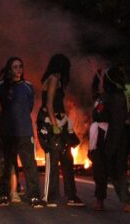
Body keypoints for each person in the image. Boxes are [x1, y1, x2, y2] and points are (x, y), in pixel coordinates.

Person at [0, 57, 46, 208]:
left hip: (24, 131)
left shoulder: (28, 86)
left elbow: (28, 107)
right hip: (8, 131)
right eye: (15, 67)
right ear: (10, 69)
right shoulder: (1, 87)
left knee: (30, 165)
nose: (18, 70)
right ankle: (3, 193)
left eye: (20, 67)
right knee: (7, 164)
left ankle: (34, 195)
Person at [37, 54, 84, 207]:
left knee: (67, 158)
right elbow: (49, 104)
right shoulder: (53, 79)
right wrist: (55, 124)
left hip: (59, 122)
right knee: (53, 157)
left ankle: (72, 196)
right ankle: (48, 197)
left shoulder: (54, 80)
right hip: (51, 123)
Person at [90, 66, 130, 213]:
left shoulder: (118, 97)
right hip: (100, 138)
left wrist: (110, 147)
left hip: (113, 138)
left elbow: (117, 123)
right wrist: (95, 77)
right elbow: (94, 94)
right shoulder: (105, 96)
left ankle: (126, 202)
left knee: (118, 171)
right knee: (99, 171)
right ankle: (99, 201)